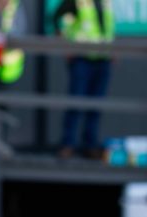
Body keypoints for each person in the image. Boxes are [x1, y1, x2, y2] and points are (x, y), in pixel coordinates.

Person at [53, 0, 115, 159]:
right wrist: (67, 47)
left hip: (103, 59)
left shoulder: (106, 2)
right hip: (82, 59)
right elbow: (55, 18)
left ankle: (90, 145)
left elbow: (107, 28)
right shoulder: (77, 1)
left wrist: (113, 50)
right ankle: (68, 144)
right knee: (76, 102)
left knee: (96, 105)